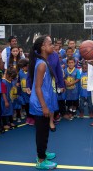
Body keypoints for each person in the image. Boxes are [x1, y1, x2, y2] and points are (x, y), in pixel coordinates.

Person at [28, 35, 57, 170]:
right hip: (40, 104)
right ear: (43, 47)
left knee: (44, 131)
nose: (53, 45)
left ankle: (43, 152)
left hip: (45, 101)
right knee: (41, 133)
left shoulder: (43, 61)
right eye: (50, 44)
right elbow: (38, 87)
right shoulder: (41, 65)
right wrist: (44, 106)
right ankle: (40, 160)